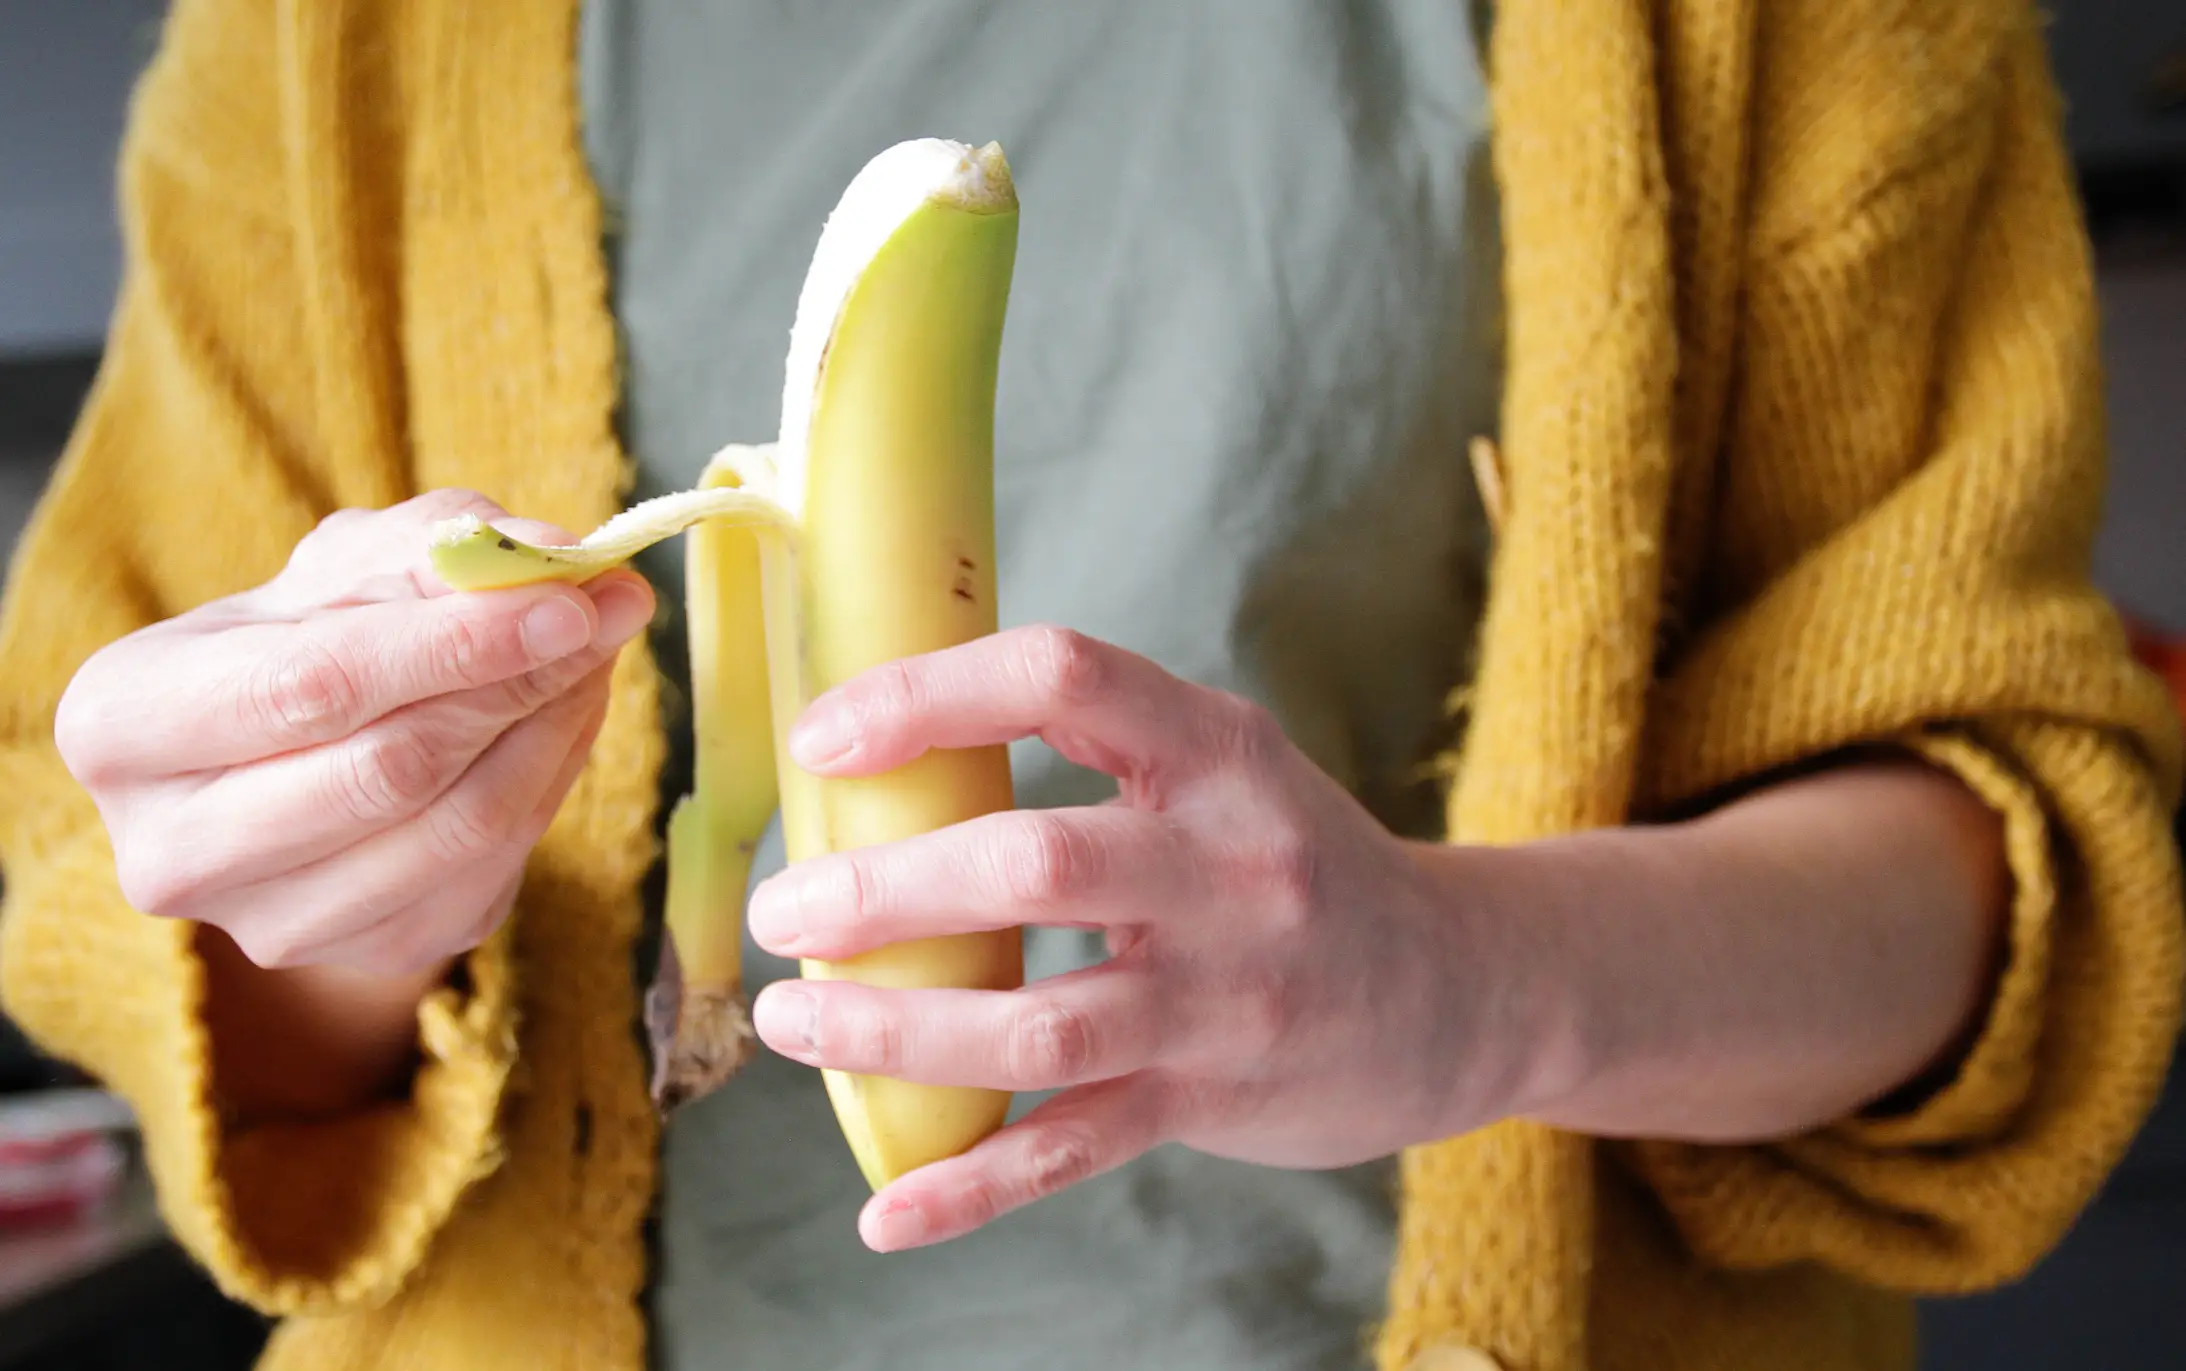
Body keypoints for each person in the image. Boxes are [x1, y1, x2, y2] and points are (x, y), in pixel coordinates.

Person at [0, 1, 2179, 1369]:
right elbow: (136, 908)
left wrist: (1481, 970)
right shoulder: (317, 47)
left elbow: (2004, 848)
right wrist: (332, 904)